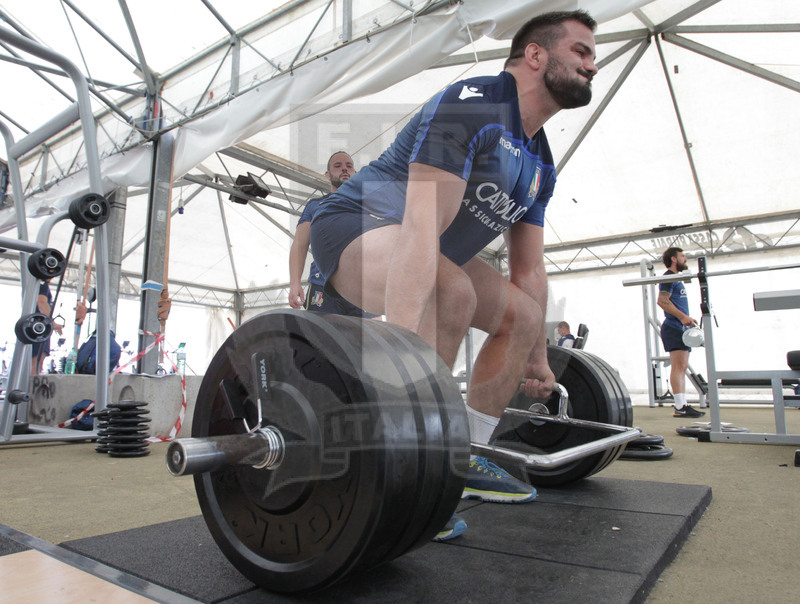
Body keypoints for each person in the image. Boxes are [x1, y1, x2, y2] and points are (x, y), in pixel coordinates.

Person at [310, 9, 599, 531]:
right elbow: (421, 228)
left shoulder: (540, 162)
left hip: (426, 248)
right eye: (580, 51)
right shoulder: (476, 104)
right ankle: (405, 463)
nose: (591, 65)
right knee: (453, 291)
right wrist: (397, 353)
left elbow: (528, 267)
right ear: (535, 55)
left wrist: (538, 358)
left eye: (593, 56)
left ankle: (458, 455)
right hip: (356, 224)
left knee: (525, 315)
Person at [288, 151, 374, 317]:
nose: (344, 169)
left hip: (362, 287)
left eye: (349, 166)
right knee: (322, 341)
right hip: (322, 285)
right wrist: (294, 283)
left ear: (355, 173)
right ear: (327, 174)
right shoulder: (315, 205)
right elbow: (299, 245)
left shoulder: (369, 205)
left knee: (367, 341)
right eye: (338, 166)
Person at [656, 247, 705, 418]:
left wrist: (687, 320)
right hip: (673, 327)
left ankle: (682, 404)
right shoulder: (669, 277)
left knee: (682, 367)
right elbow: (662, 301)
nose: (685, 258)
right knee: (679, 367)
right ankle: (680, 406)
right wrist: (684, 317)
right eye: (682, 256)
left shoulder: (677, 279)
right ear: (674, 259)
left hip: (680, 327)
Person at [30, 278, 63, 375]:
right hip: (39, 329)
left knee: (38, 364)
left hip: (38, 328)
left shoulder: (35, 284)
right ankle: (31, 389)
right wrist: (52, 322)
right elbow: (41, 302)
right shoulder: (41, 284)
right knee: (35, 364)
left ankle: (31, 387)